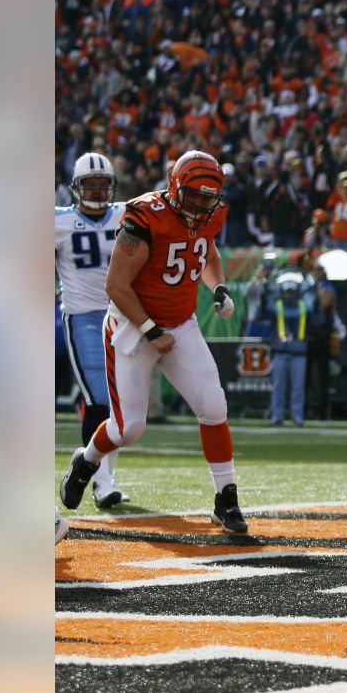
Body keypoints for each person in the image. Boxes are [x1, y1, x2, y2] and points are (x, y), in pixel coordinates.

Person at [57, 150, 248, 534]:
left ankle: (226, 498)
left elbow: (207, 250)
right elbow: (116, 286)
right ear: (175, 186)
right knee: (129, 429)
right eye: (192, 195)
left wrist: (219, 287)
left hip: (180, 324)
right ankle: (87, 459)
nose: (198, 204)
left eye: (206, 198)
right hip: (132, 326)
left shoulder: (214, 211)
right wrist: (150, 331)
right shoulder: (145, 217)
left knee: (213, 405)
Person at [54, 152, 129, 508]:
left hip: (122, 315)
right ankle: (101, 481)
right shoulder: (59, 222)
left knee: (121, 405)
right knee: (99, 398)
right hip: (83, 316)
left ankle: (101, 474)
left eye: (103, 185)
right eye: (91, 185)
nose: (98, 192)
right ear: (76, 187)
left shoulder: (126, 214)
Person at [268, 275, 310, 427]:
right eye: (287, 292)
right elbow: (266, 317)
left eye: (292, 292)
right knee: (278, 386)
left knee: (298, 387)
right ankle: (277, 415)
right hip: (280, 351)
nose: (289, 295)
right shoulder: (276, 306)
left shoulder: (303, 306)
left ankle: (297, 416)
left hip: (298, 352)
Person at [307, 286, 347, 425]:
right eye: (324, 297)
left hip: (324, 348)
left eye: (328, 298)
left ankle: (323, 415)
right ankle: (305, 413)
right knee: (306, 380)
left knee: (324, 381)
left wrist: (336, 337)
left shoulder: (332, 313)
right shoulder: (311, 310)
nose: (326, 300)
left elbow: (342, 329)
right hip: (310, 346)